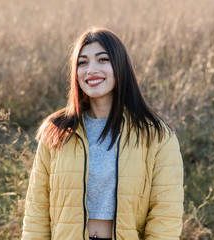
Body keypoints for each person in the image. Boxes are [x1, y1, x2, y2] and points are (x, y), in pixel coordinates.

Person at [22, 27, 184, 240]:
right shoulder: (57, 131)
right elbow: (37, 210)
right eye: (82, 63)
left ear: (120, 66)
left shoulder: (156, 136)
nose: (91, 70)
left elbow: (166, 216)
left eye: (102, 60)